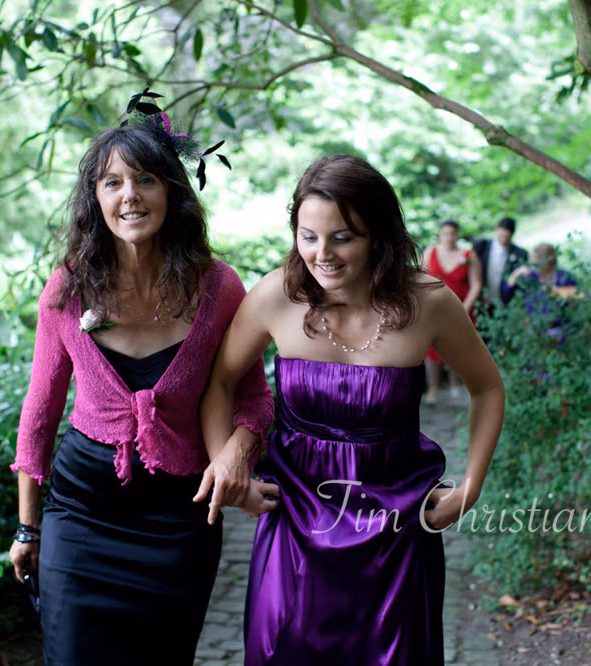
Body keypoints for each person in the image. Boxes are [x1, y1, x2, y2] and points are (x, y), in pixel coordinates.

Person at [199, 155, 505, 665]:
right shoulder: (277, 295)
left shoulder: (428, 302)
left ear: (378, 235)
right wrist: (227, 471)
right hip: (294, 525)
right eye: (308, 235)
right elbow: (220, 383)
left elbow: (488, 388)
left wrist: (471, 488)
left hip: (398, 530)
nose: (323, 254)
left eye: (343, 237)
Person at [7, 92, 274, 666]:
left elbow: (253, 396)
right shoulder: (68, 289)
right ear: (95, 199)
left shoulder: (219, 287)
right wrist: (28, 529)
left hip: (179, 525)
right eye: (112, 183)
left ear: (170, 193)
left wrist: (234, 456)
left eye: (146, 179)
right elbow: (40, 413)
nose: (130, 195)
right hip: (81, 517)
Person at [422, 219, 482, 404]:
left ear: (458, 235)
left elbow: (476, 284)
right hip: (435, 311)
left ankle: (456, 383)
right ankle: (433, 389)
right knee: (431, 350)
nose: (449, 237)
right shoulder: (430, 252)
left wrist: (465, 307)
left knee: (459, 347)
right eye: (446, 233)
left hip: (462, 309)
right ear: (440, 235)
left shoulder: (468, 254)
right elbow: (421, 279)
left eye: (452, 233)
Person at [504, 242, 579, 341]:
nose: (533, 266)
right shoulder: (531, 277)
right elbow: (506, 291)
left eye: (536, 263)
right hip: (534, 330)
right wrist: (515, 274)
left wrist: (560, 293)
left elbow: (577, 301)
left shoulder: (564, 278)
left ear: (547, 262)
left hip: (560, 330)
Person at [472, 216, 528, 309]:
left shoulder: (520, 254)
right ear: (496, 229)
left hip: (506, 303)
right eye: (502, 235)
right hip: (482, 300)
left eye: (508, 236)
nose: (504, 238)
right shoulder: (482, 246)